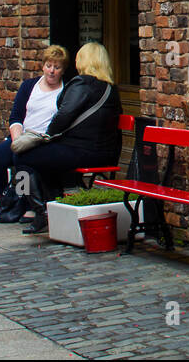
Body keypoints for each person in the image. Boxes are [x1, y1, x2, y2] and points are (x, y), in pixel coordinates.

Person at [14, 41, 122, 235]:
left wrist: (47, 135)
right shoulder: (110, 89)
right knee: (46, 161)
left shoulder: (82, 82)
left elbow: (64, 114)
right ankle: (54, 206)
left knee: (23, 158)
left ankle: (42, 212)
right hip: (105, 154)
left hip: (81, 151)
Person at [0, 44, 67, 223]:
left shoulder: (65, 92)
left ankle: (26, 204)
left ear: (63, 70)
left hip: (43, 140)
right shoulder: (29, 86)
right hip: (22, 136)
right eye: (49, 66)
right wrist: (17, 140)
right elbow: (16, 116)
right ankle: (4, 201)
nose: (52, 71)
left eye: (57, 67)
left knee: (21, 161)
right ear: (43, 66)